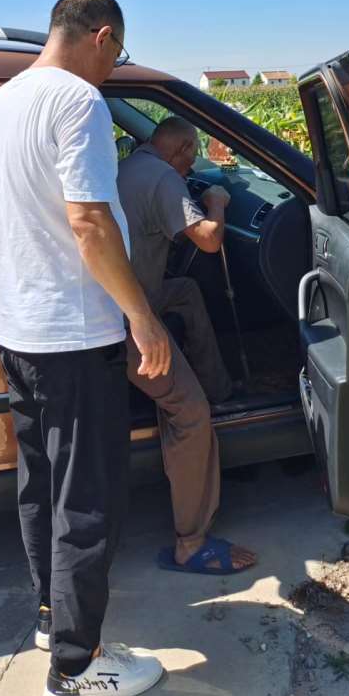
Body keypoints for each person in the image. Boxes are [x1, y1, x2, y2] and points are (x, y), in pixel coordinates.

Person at [0, 0, 167, 696]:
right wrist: (141, 316)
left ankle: (51, 618)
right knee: (87, 501)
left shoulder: (5, 100)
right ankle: (77, 667)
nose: (113, 68)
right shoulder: (79, 102)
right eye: (116, 54)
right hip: (74, 335)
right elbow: (89, 223)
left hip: (18, 330)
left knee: (40, 488)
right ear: (101, 36)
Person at [117, 117, 257, 576]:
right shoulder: (163, 178)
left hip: (136, 293)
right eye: (191, 158)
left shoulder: (132, 164)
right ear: (182, 149)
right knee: (190, 414)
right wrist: (215, 202)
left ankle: (219, 386)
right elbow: (209, 241)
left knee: (187, 293)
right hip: (128, 319)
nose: (190, 167)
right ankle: (191, 541)